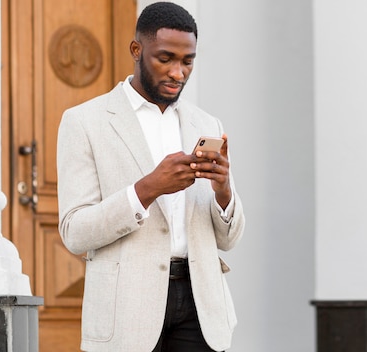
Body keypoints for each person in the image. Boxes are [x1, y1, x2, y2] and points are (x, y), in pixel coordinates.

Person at [56, 2, 245, 351]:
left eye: (187, 62)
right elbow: (75, 232)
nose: (178, 73)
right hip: (126, 309)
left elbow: (228, 240)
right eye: (166, 59)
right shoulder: (84, 122)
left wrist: (223, 191)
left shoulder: (206, 124)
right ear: (136, 50)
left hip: (200, 307)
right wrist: (147, 189)